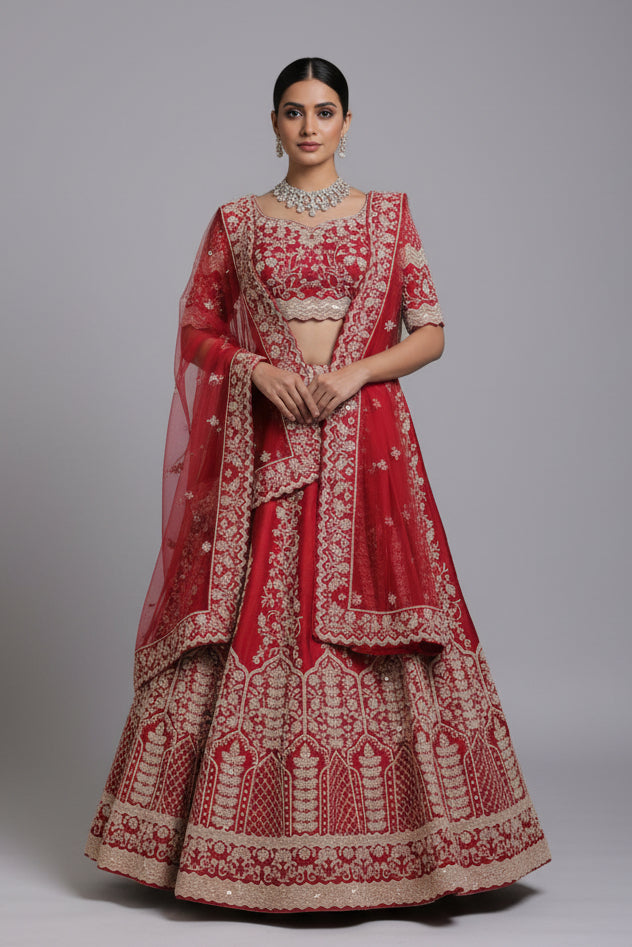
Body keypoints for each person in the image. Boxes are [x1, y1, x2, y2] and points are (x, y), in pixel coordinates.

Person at [85, 57, 551, 913]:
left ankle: (412, 850)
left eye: (324, 111)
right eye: (293, 112)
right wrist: (255, 369)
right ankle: (234, 846)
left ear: (347, 122)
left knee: (388, 610)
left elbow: (432, 329)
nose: (308, 126)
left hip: (364, 439)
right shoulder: (237, 220)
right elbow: (196, 328)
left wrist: (354, 375)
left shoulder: (388, 216)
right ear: (273, 123)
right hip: (265, 445)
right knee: (252, 604)